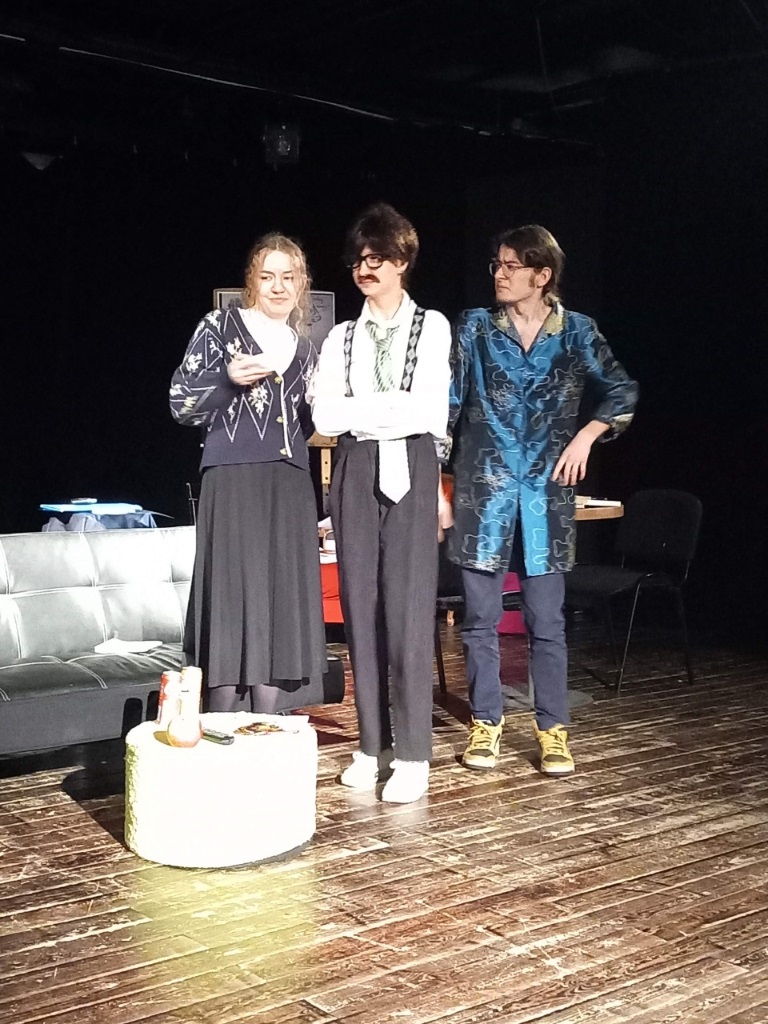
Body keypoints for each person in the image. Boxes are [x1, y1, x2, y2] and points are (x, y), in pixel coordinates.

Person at [447, 224, 638, 775]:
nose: (500, 274)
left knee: (547, 621)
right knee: (480, 620)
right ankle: (486, 723)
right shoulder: (476, 328)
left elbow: (622, 388)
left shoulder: (577, 332)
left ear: (542, 274)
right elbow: (449, 402)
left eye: (512, 266)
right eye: (497, 264)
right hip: (484, 491)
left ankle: (553, 730)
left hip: (545, 496)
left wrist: (588, 435)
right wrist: (438, 478)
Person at [310, 203, 451, 803]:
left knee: (410, 609)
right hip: (356, 465)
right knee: (359, 608)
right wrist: (386, 407)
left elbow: (427, 410)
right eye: (357, 261)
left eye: (376, 259)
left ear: (401, 261)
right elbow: (325, 415)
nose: (364, 270)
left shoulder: (431, 326)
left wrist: (363, 410)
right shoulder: (340, 337)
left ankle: (414, 753)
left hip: (411, 465)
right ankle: (374, 745)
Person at [169, 233, 327, 713]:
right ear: (251, 282)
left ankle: (268, 720)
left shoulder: (306, 349)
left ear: (301, 284)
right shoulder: (221, 327)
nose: (278, 287)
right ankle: (221, 721)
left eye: (288, 277)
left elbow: (305, 424)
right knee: (233, 594)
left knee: (278, 598)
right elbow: (180, 402)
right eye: (267, 276)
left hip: (289, 484)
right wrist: (226, 380)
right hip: (234, 478)